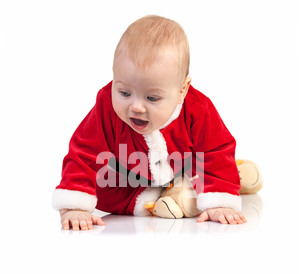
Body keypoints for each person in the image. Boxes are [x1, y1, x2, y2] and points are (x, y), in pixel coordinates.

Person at [52, 15, 247, 230]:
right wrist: (75, 205)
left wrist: (219, 201)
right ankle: (160, 198)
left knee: (206, 174)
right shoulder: (106, 105)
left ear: (182, 90)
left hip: (182, 167)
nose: (136, 107)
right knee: (104, 189)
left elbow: (216, 150)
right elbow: (84, 151)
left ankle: (233, 176)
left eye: (152, 98)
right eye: (124, 92)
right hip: (127, 179)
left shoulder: (198, 108)